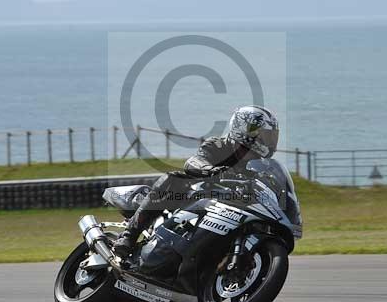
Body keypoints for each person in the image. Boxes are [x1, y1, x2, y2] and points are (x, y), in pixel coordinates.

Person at [112, 105, 279, 258]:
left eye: (271, 137)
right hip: (195, 199)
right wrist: (208, 169)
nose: (269, 142)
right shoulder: (218, 145)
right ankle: (129, 235)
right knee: (172, 178)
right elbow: (194, 162)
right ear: (245, 129)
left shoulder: (260, 165)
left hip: (229, 209)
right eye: (265, 136)